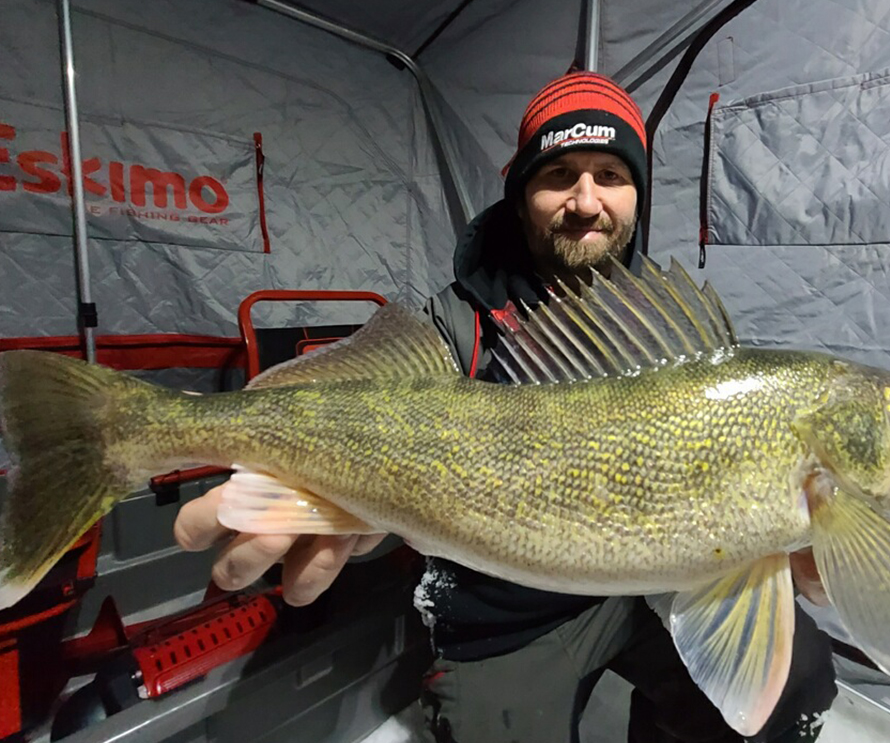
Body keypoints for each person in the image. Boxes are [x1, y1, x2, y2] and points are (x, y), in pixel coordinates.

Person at [173, 71, 837, 743]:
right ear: (521, 199)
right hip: (500, 622)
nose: (586, 200)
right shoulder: (454, 324)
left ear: (637, 197)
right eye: (558, 174)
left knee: (800, 675)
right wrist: (357, 510)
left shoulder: (674, 338)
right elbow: (378, 455)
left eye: (611, 173)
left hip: (642, 594)